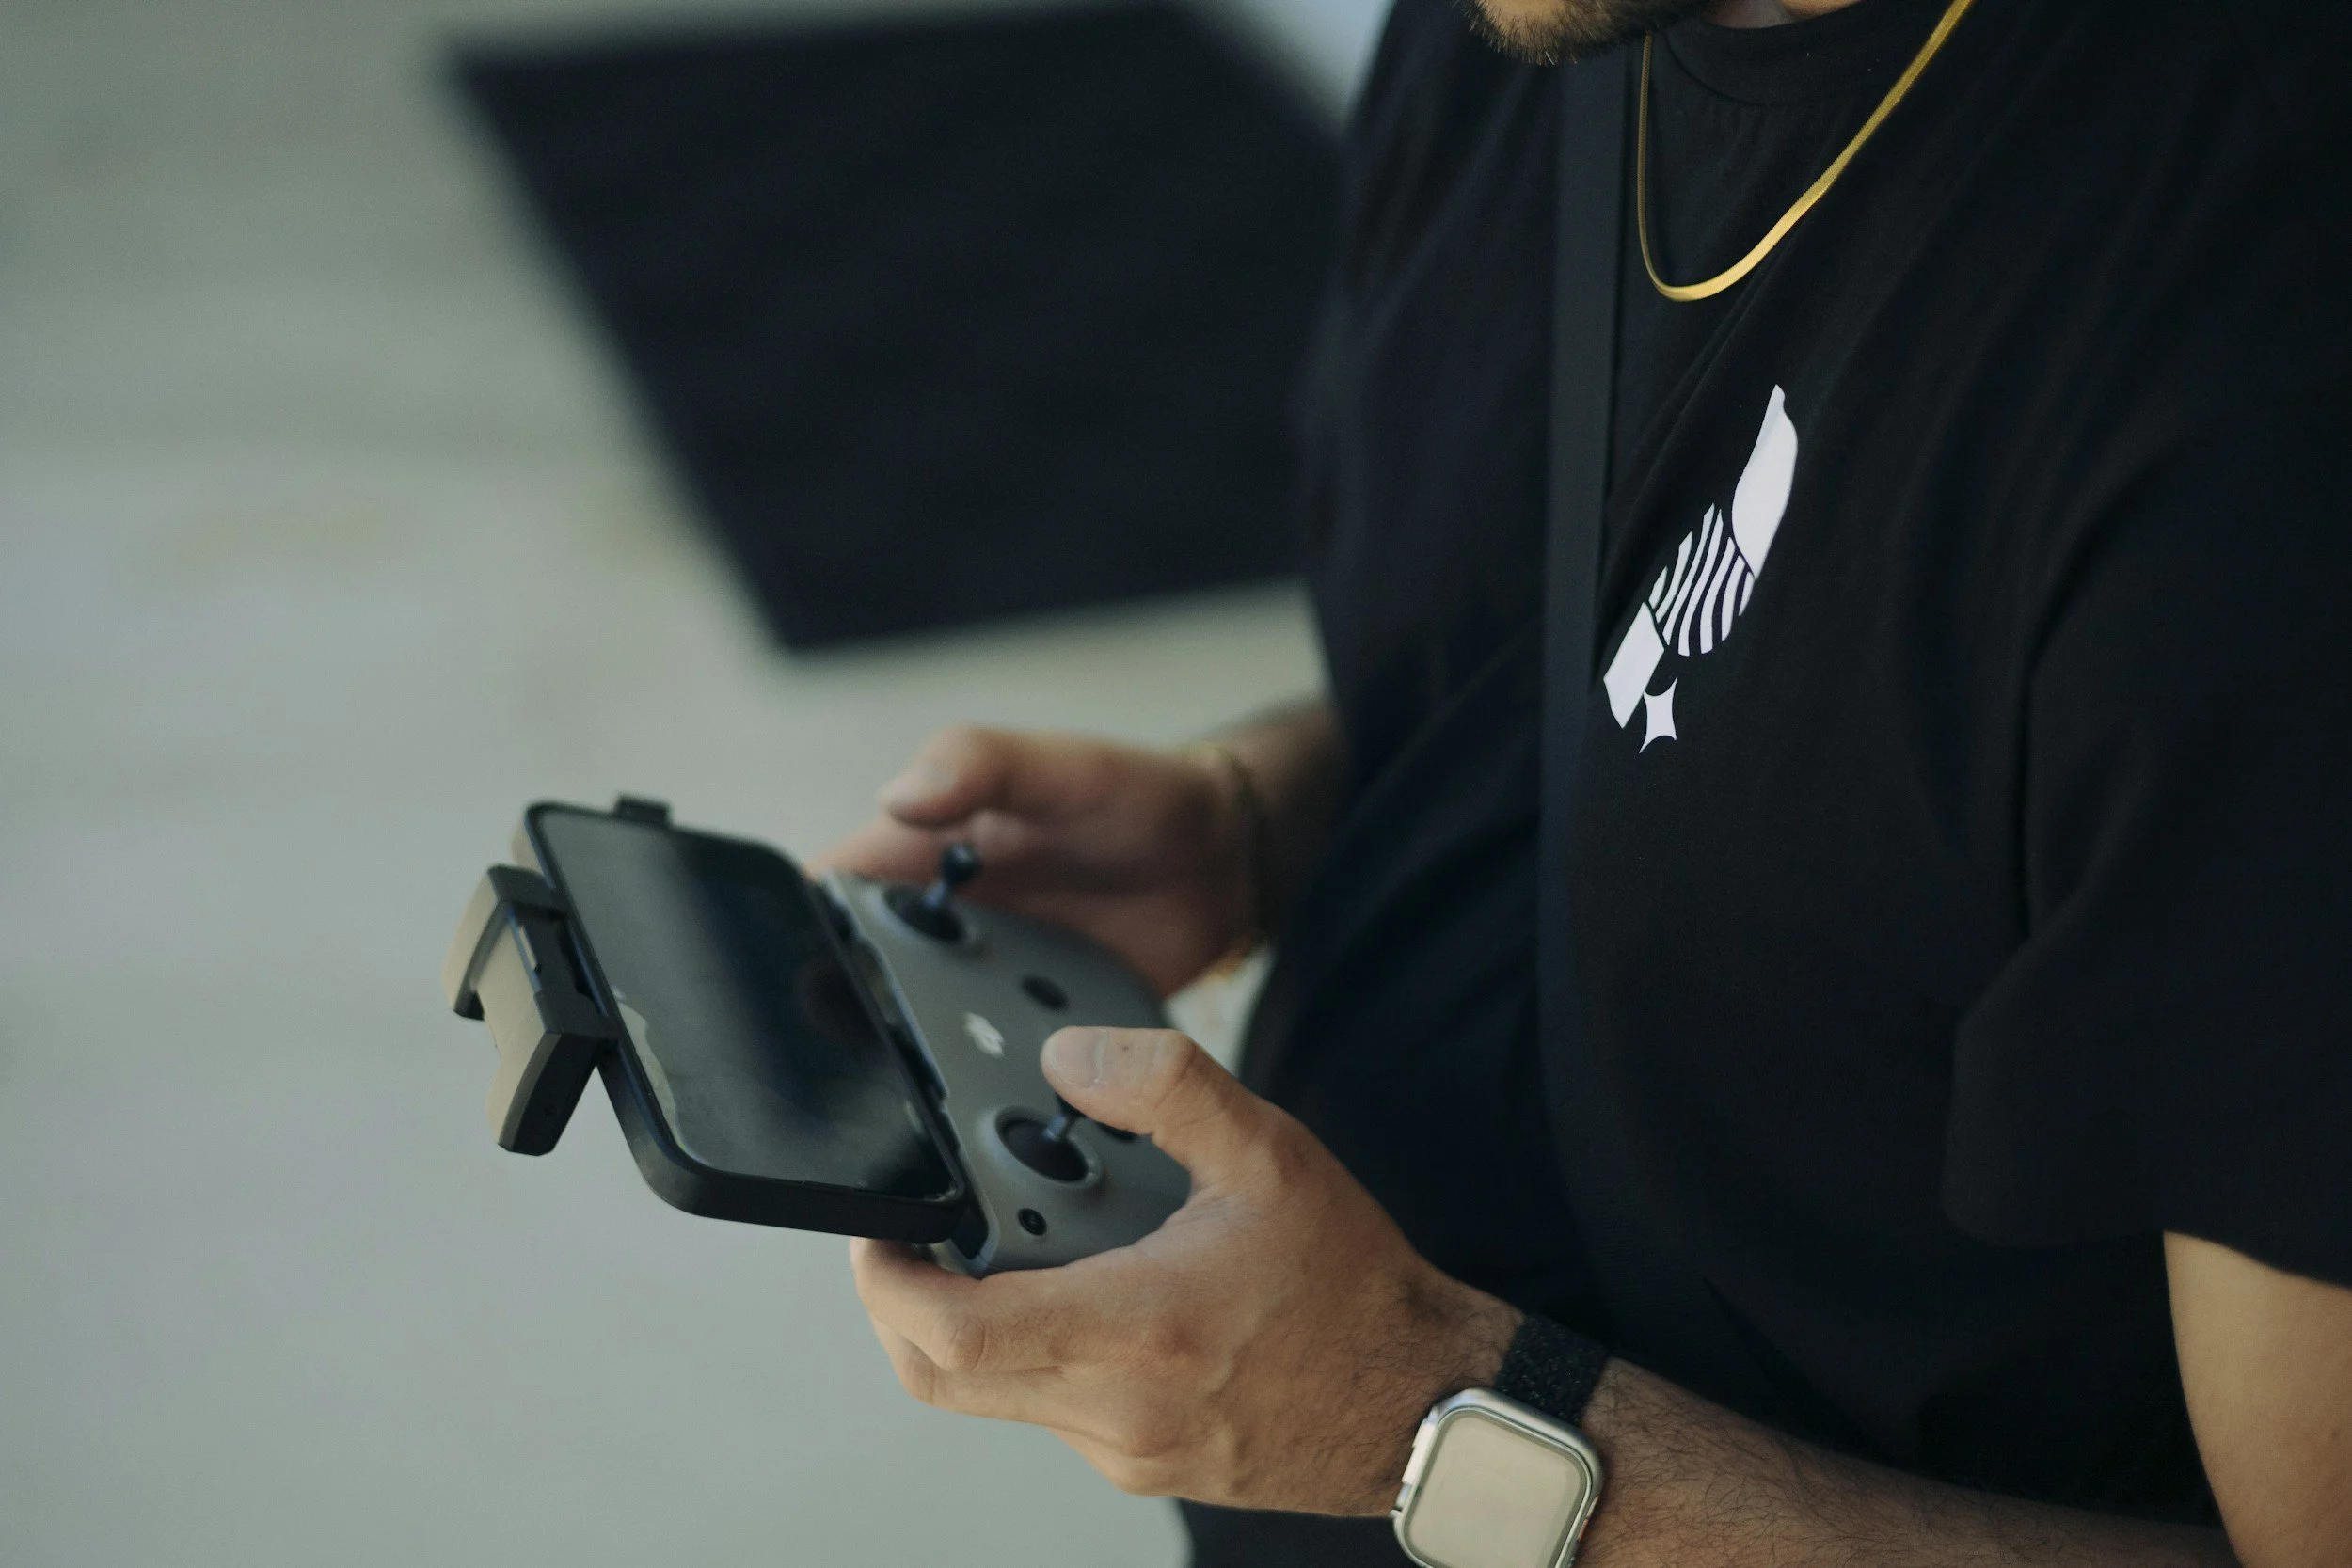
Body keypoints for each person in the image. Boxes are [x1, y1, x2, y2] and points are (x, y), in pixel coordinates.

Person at [822, 0, 2352, 1562]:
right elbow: (1741, 692)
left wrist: (1426, 1420)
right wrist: (1264, 813)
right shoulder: (1535, 28)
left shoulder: (2258, 381)